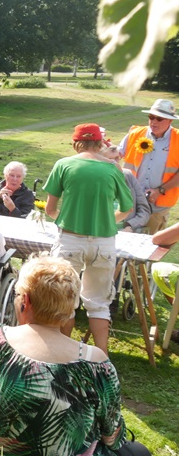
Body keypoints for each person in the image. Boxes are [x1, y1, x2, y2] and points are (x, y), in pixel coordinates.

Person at [0, 255, 153, 456]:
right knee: (139, 454)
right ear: (70, 308)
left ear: (25, 301)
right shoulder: (95, 362)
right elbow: (111, 436)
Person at [44, 123, 132, 355]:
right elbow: (127, 208)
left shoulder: (63, 164)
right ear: (100, 143)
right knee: (99, 304)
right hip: (104, 242)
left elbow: (50, 209)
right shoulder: (114, 169)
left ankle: (64, 355)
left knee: (65, 300)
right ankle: (101, 360)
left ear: (75, 143)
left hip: (71, 240)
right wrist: (109, 221)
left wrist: (64, 219)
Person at [119, 99, 179, 234]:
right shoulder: (135, 133)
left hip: (158, 204)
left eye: (159, 118)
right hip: (130, 200)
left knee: (150, 245)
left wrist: (160, 190)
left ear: (170, 121)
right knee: (124, 242)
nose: (154, 122)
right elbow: (116, 155)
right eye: (151, 117)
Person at [101, 144, 151, 232]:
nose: (116, 163)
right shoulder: (92, 179)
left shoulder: (127, 175)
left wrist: (130, 226)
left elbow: (144, 211)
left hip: (125, 231)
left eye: (117, 158)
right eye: (111, 160)